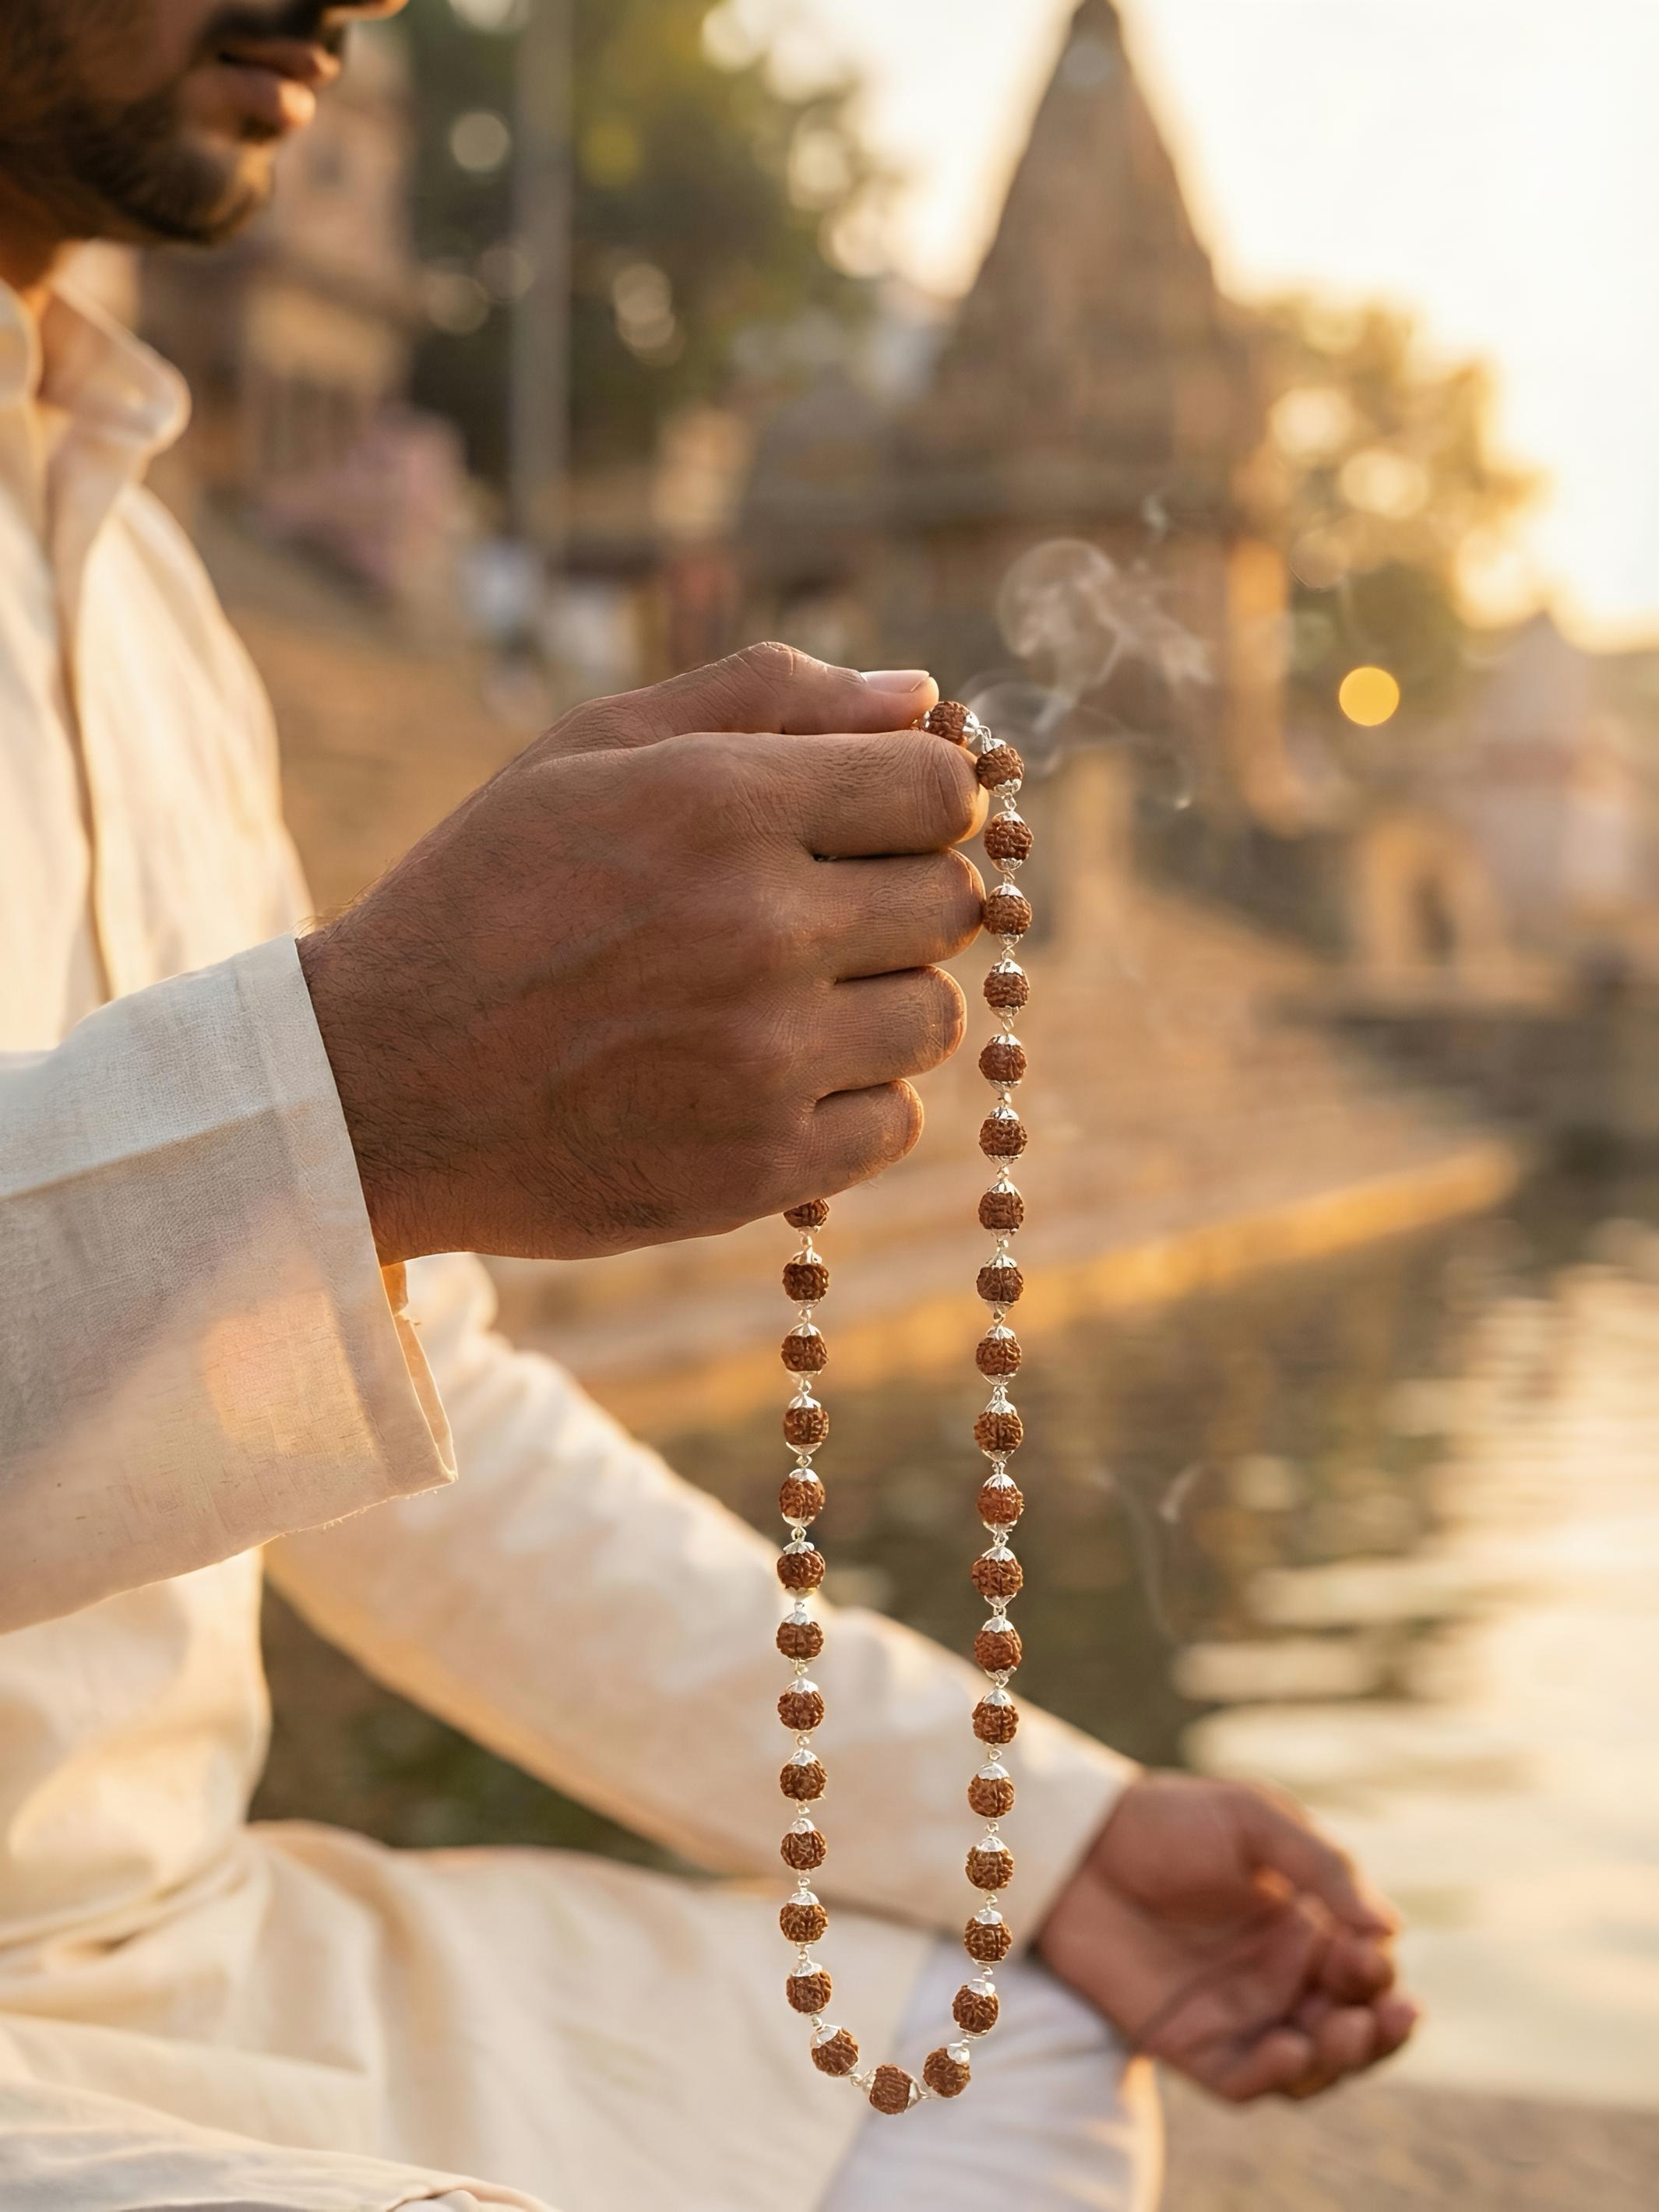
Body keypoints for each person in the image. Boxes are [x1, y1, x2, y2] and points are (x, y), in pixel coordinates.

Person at [0, 5, 1418, 2207]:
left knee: (1005, 2045)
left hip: (181, 1961)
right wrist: (368, 1105)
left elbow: (380, 1425)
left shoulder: (152, 600)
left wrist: (1032, 1824)